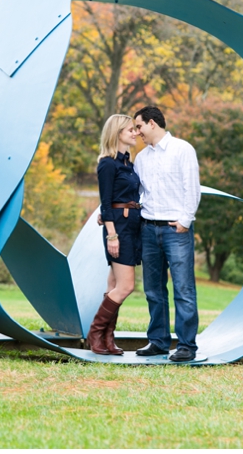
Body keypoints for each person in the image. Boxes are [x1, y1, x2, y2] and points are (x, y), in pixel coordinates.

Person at [132, 106, 201, 362]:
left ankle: (186, 346)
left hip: (176, 230)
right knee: (153, 290)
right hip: (148, 229)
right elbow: (139, 194)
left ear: (152, 123)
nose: (137, 132)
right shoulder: (141, 159)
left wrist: (185, 220)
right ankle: (158, 342)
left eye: (139, 126)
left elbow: (192, 187)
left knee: (183, 289)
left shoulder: (183, 149)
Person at [87, 114, 142, 355]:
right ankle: (95, 334)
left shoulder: (128, 164)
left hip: (132, 227)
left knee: (113, 285)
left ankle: (108, 339)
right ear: (117, 133)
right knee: (126, 286)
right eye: (130, 130)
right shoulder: (108, 164)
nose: (135, 133)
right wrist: (112, 235)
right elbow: (106, 202)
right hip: (118, 229)